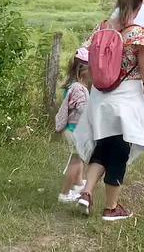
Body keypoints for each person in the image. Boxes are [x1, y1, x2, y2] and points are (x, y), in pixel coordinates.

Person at [74, 0, 144, 220]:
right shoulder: (139, 34)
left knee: (104, 146)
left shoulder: (103, 27)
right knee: (119, 151)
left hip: (100, 96)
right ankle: (111, 208)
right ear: (140, 5)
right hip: (126, 100)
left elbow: (84, 55)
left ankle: (86, 192)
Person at [55, 48, 91, 204]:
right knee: (76, 161)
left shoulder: (76, 86)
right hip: (74, 131)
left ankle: (77, 184)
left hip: (74, 130)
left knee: (80, 158)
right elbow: (83, 110)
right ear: (83, 71)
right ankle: (64, 193)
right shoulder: (78, 89)